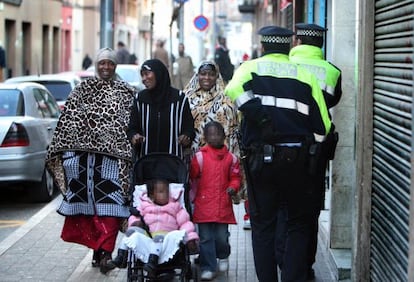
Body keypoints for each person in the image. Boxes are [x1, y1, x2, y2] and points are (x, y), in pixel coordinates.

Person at [225, 26, 331, 282]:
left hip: (261, 162)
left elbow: (233, 91)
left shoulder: (248, 69)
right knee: (296, 224)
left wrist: (260, 117)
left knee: (263, 227)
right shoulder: (305, 75)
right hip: (297, 164)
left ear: (263, 47)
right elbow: (323, 127)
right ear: (289, 46)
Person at [45, 47, 136, 274]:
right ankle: (98, 250)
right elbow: (68, 122)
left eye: (110, 63)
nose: (106, 67)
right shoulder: (82, 89)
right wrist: (66, 154)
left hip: (114, 162)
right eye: (102, 63)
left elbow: (133, 123)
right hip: (85, 164)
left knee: (113, 207)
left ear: (115, 66)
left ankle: (106, 252)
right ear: (97, 65)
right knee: (90, 211)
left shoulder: (126, 91)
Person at [289, 22, 341, 279]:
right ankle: (306, 266)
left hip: (284, 147)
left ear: (297, 41)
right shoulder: (332, 72)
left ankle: (285, 262)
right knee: (309, 212)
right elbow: (332, 101)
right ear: (320, 44)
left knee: (283, 208)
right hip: (316, 152)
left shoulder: (284, 65)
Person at [102, 179, 199, 276]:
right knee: (131, 231)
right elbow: (135, 216)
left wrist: (190, 239)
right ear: (152, 196)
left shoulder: (175, 206)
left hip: (167, 238)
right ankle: (121, 257)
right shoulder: (145, 205)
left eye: (167, 191)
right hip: (148, 236)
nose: (166, 194)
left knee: (159, 237)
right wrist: (136, 222)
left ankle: (152, 262)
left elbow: (185, 223)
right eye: (161, 192)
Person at [189, 121, 241, 281]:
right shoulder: (199, 157)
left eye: (217, 134)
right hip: (204, 205)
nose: (214, 137)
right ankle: (208, 267)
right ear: (205, 137)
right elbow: (192, 175)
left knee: (221, 237)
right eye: (210, 134)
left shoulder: (231, 159)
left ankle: (223, 254)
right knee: (205, 239)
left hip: (222, 206)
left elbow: (235, 177)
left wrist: (233, 187)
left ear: (224, 136)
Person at [126, 58, 195, 159]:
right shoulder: (140, 99)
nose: (144, 78)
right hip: (146, 162)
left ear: (158, 73)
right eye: (142, 75)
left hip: (173, 163)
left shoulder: (179, 98)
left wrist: (186, 136)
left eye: (147, 74)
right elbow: (132, 128)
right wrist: (134, 136)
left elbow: (189, 128)